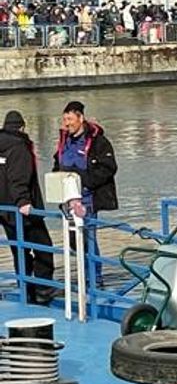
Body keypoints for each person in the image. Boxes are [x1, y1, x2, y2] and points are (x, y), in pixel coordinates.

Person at [53, 99, 117, 287]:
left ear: (80, 118)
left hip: (88, 199)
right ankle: (84, 275)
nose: (67, 124)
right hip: (67, 200)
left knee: (88, 239)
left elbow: (109, 167)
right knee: (73, 241)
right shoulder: (64, 141)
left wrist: (86, 182)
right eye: (65, 120)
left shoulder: (98, 141)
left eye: (70, 120)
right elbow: (57, 164)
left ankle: (94, 279)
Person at [0, 111, 58, 305]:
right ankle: (43, 288)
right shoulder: (20, 146)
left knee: (20, 250)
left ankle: (25, 287)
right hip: (23, 209)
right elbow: (19, 176)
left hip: (5, 210)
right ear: (22, 127)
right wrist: (24, 201)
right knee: (44, 247)